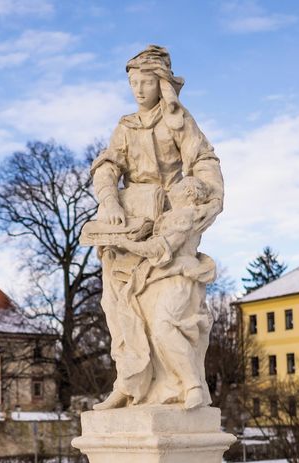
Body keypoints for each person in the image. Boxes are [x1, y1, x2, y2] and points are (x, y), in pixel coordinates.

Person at [90, 45, 224, 410]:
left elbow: (204, 162)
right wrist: (110, 200)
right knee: (117, 308)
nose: (137, 89)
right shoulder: (126, 126)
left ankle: (180, 384)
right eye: (133, 82)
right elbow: (106, 168)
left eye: (145, 81)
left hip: (167, 225)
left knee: (160, 313)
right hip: (127, 223)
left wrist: (197, 202)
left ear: (160, 83)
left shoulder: (177, 120)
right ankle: (129, 383)